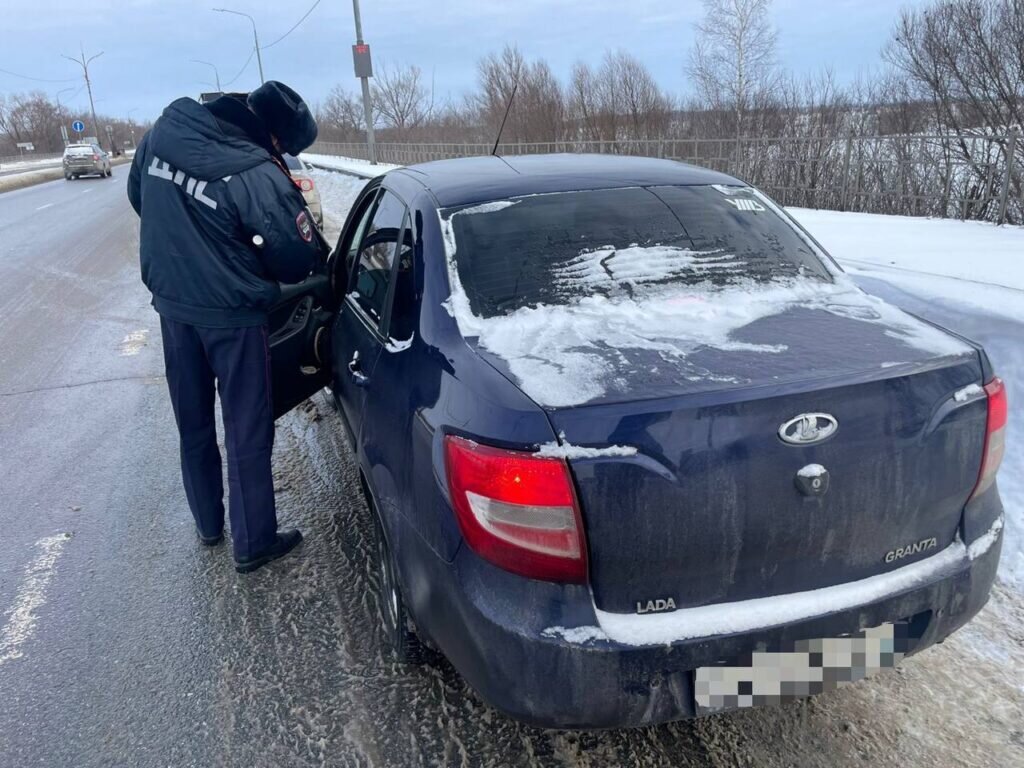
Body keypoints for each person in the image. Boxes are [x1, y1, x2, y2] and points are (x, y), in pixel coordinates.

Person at [127, 82, 324, 573]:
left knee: (192, 421)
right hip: (233, 318)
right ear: (275, 138)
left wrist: (189, 242)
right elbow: (294, 255)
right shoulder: (255, 171)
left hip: (173, 307)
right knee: (246, 428)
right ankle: (254, 540)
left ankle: (209, 524)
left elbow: (139, 196)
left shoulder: (164, 130)